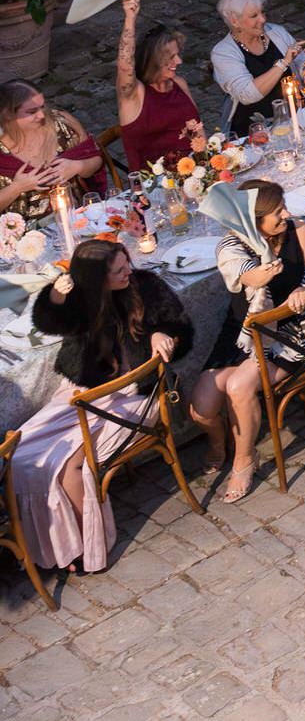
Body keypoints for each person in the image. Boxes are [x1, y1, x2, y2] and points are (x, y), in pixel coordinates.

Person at [17, 238, 194, 572]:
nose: (129, 271)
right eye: (119, 270)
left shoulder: (146, 287)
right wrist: (56, 295)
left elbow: (181, 327)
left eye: (127, 263)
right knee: (25, 458)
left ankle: (89, 549)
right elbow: (49, 321)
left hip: (140, 396)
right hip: (87, 391)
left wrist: (162, 333)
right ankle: (58, 547)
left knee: (67, 466)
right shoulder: (83, 301)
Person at [187, 180, 305, 504]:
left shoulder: (299, 229)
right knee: (202, 406)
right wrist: (263, 272)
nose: (286, 214)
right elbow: (246, 275)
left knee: (238, 386)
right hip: (244, 329)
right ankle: (218, 443)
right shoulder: (231, 245)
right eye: (277, 211)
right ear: (255, 221)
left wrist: (304, 289)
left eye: (283, 207)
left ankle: (244, 460)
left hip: (290, 330)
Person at [113, 0, 205, 171]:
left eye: (177, 54)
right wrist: (130, 19)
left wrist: (207, 166)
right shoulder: (134, 95)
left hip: (195, 174)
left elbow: (198, 132)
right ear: (153, 60)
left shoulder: (179, 84)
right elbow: (125, 66)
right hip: (156, 186)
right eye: (171, 57)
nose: (179, 61)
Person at [207, 0, 305, 135]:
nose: (262, 19)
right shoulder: (222, 53)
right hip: (256, 131)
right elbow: (247, 94)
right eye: (253, 16)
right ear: (234, 21)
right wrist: (283, 63)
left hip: (298, 118)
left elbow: (303, 72)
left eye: (262, 12)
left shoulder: (276, 32)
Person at [1, 80, 104, 212]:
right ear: (8, 114)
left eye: (42, 106)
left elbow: (96, 160)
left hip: (78, 217)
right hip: (27, 230)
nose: (42, 115)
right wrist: (16, 188)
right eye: (32, 111)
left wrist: (78, 166)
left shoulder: (62, 124)